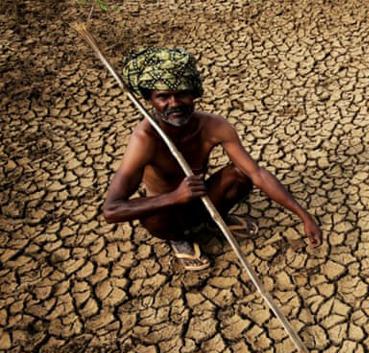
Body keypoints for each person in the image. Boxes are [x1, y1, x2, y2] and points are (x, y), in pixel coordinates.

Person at [102, 47, 322, 270]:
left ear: (195, 93)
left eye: (182, 93)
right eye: (163, 96)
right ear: (150, 99)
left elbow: (257, 174)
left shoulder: (214, 126)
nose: (174, 103)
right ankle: (179, 239)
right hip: (170, 213)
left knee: (240, 174)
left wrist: (303, 215)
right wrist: (175, 197)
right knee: (153, 216)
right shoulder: (144, 140)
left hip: (202, 198)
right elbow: (112, 209)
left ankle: (213, 220)